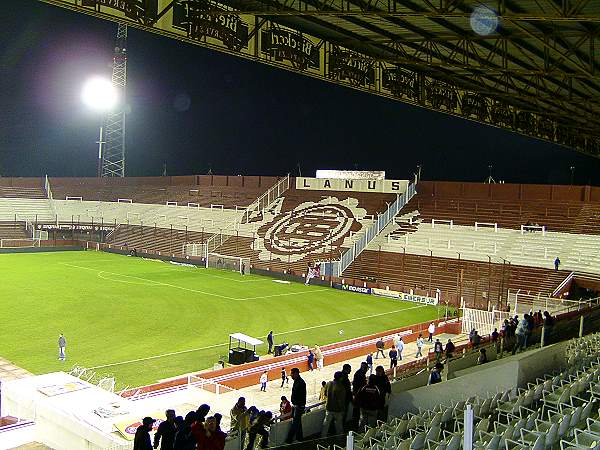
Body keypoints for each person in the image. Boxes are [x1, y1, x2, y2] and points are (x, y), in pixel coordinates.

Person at [321, 371, 347, 437]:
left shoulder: (329, 383)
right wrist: (343, 410)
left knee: (326, 425)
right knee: (339, 427)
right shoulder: (341, 387)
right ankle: (339, 439)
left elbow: (325, 394)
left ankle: (322, 438)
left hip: (328, 408)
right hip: (337, 410)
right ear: (341, 378)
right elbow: (341, 401)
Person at [285, 368, 306, 444]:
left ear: (296, 373)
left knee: (295, 423)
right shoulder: (297, 382)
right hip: (296, 405)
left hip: (298, 406)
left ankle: (289, 440)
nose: (291, 376)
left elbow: (301, 396)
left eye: (292, 374)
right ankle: (300, 438)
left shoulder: (301, 383)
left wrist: (297, 405)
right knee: (298, 423)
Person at [351, 362, 369, 428]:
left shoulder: (358, 373)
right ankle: (356, 427)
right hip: (359, 397)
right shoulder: (360, 375)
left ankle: (355, 426)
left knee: (356, 413)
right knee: (358, 413)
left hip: (357, 396)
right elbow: (361, 387)